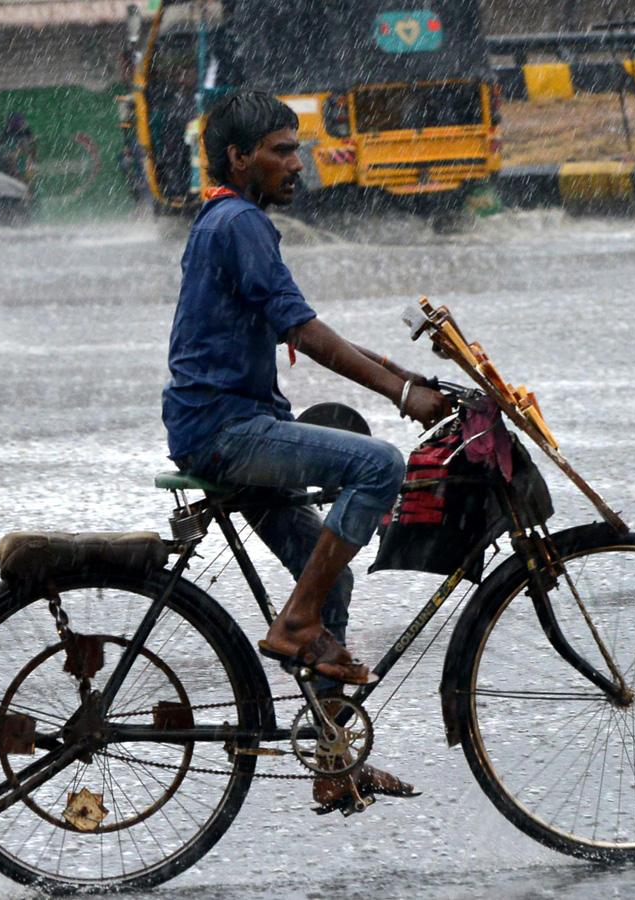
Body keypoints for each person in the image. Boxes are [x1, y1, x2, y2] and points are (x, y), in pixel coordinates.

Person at [162, 90, 452, 809]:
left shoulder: (230, 221)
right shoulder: (239, 223)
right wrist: (396, 396)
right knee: (378, 462)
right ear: (238, 158)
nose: (299, 163)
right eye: (281, 150)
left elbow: (302, 329)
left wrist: (404, 374)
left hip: (226, 426)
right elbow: (308, 331)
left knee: (334, 583)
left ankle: (335, 763)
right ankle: (294, 623)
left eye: (297, 148)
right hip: (228, 434)